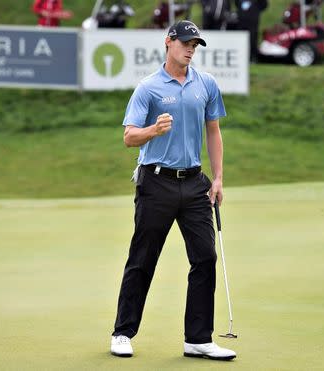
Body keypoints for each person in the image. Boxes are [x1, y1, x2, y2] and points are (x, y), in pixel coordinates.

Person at [110, 20, 236, 361]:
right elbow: (128, 137)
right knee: (143, 258)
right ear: (169, 42)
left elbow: (213, 131)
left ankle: (197, 338)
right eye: (186, 42)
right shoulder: (148, 88)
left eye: (195, 44)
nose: (191, 48)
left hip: (195, 183)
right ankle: (122, 332)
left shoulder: (206, 84)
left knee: (205, 257)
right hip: (156, 181)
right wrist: (153, 130)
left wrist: (219, 178)